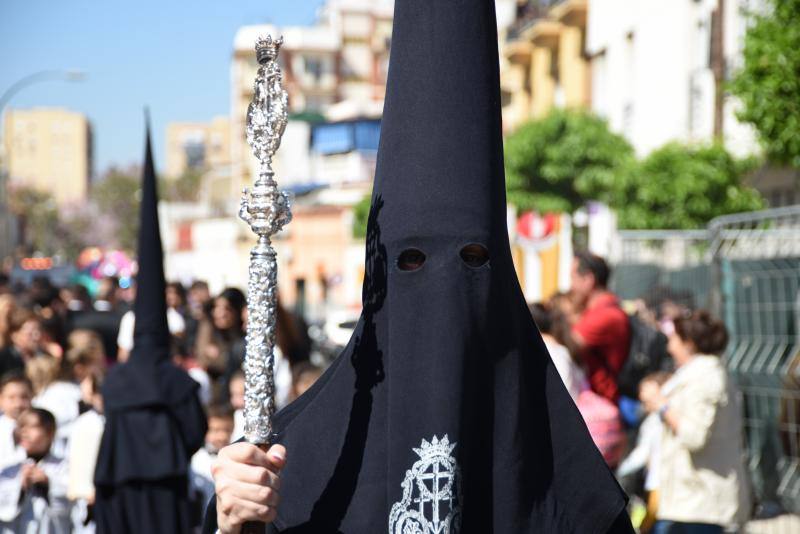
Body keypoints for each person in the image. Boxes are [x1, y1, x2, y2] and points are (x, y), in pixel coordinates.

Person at [203, 0, 632, 531]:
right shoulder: (290, 465)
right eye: (412, 262)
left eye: (473, 260)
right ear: (378, 280)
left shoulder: (566, 477)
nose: (442, 284)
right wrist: (231, 522)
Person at [93, 120, 207, 534]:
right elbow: (194, 432)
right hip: (166, 495)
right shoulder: (176, 382)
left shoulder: (116, 381)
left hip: (121, 496)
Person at [639, 311, 750, 533]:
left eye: (674, 339)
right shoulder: (695, 374)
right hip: (690, 502)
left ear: (688, 343)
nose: (669, 347)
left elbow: (694, 436)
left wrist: (662, 405)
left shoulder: (705, 378)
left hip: (703, 504)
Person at [571, 251, 631, 403]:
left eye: (573, 278)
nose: (571, 286)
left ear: (588, 279)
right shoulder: (599, 310)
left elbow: (569, 344)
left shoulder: (605, 315)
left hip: (600, 404)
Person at [0, 408, 71, 533]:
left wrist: (48, 483)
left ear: (50, 432)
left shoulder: (64, 466)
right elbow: (4, 509)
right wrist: (20, 487)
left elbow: (72, 505)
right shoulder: (9, 466)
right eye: (21, 426)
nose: (24, 432)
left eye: (32, 427)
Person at [68, 370, 105, 534]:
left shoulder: (122, 421)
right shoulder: (84, 424)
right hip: (88, 500)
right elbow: (77, 462)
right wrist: (85, 490)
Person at [191, 403, 235, 522]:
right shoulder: (196, 460)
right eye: (215, 430)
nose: (222, 436)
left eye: (227, 430)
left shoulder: (235, 458)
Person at [0, 309, 51, 378]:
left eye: (39, 330)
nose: (37, 337)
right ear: (15, 335)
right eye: (30, 333)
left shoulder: (44, 356)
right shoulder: (4, 360)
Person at [0, 372, 33, 465]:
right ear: (1, 399)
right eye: (11, 398)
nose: (18, 404)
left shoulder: (42, 428)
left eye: (24, 397)